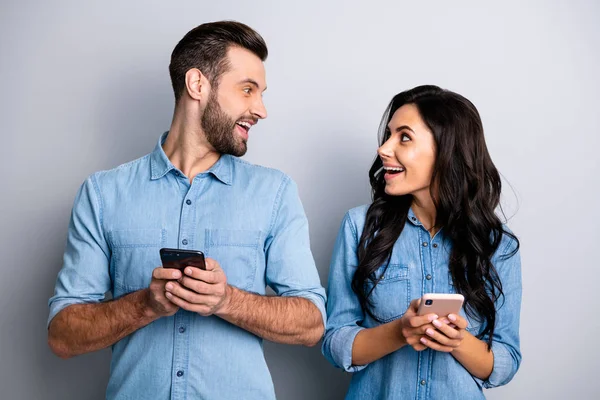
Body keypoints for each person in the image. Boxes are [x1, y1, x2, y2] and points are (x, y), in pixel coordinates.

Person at [47, 20, 326, 400]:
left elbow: (311, 324)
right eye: (247, 90)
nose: (260, 109)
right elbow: (63, 335)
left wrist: (227, 300)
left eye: (260, 93)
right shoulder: (102, 194)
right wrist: (146, 304)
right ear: (198, 84)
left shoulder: (275, 193)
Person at [322, 85, 522, 399]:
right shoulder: (359, 227)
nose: (384, 149)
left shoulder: (498, 245)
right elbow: (336, 342)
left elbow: (506, 361)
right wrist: (399, 332)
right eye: (388, 135)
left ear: (446, 149)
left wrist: (457, 341)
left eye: (404, 137)